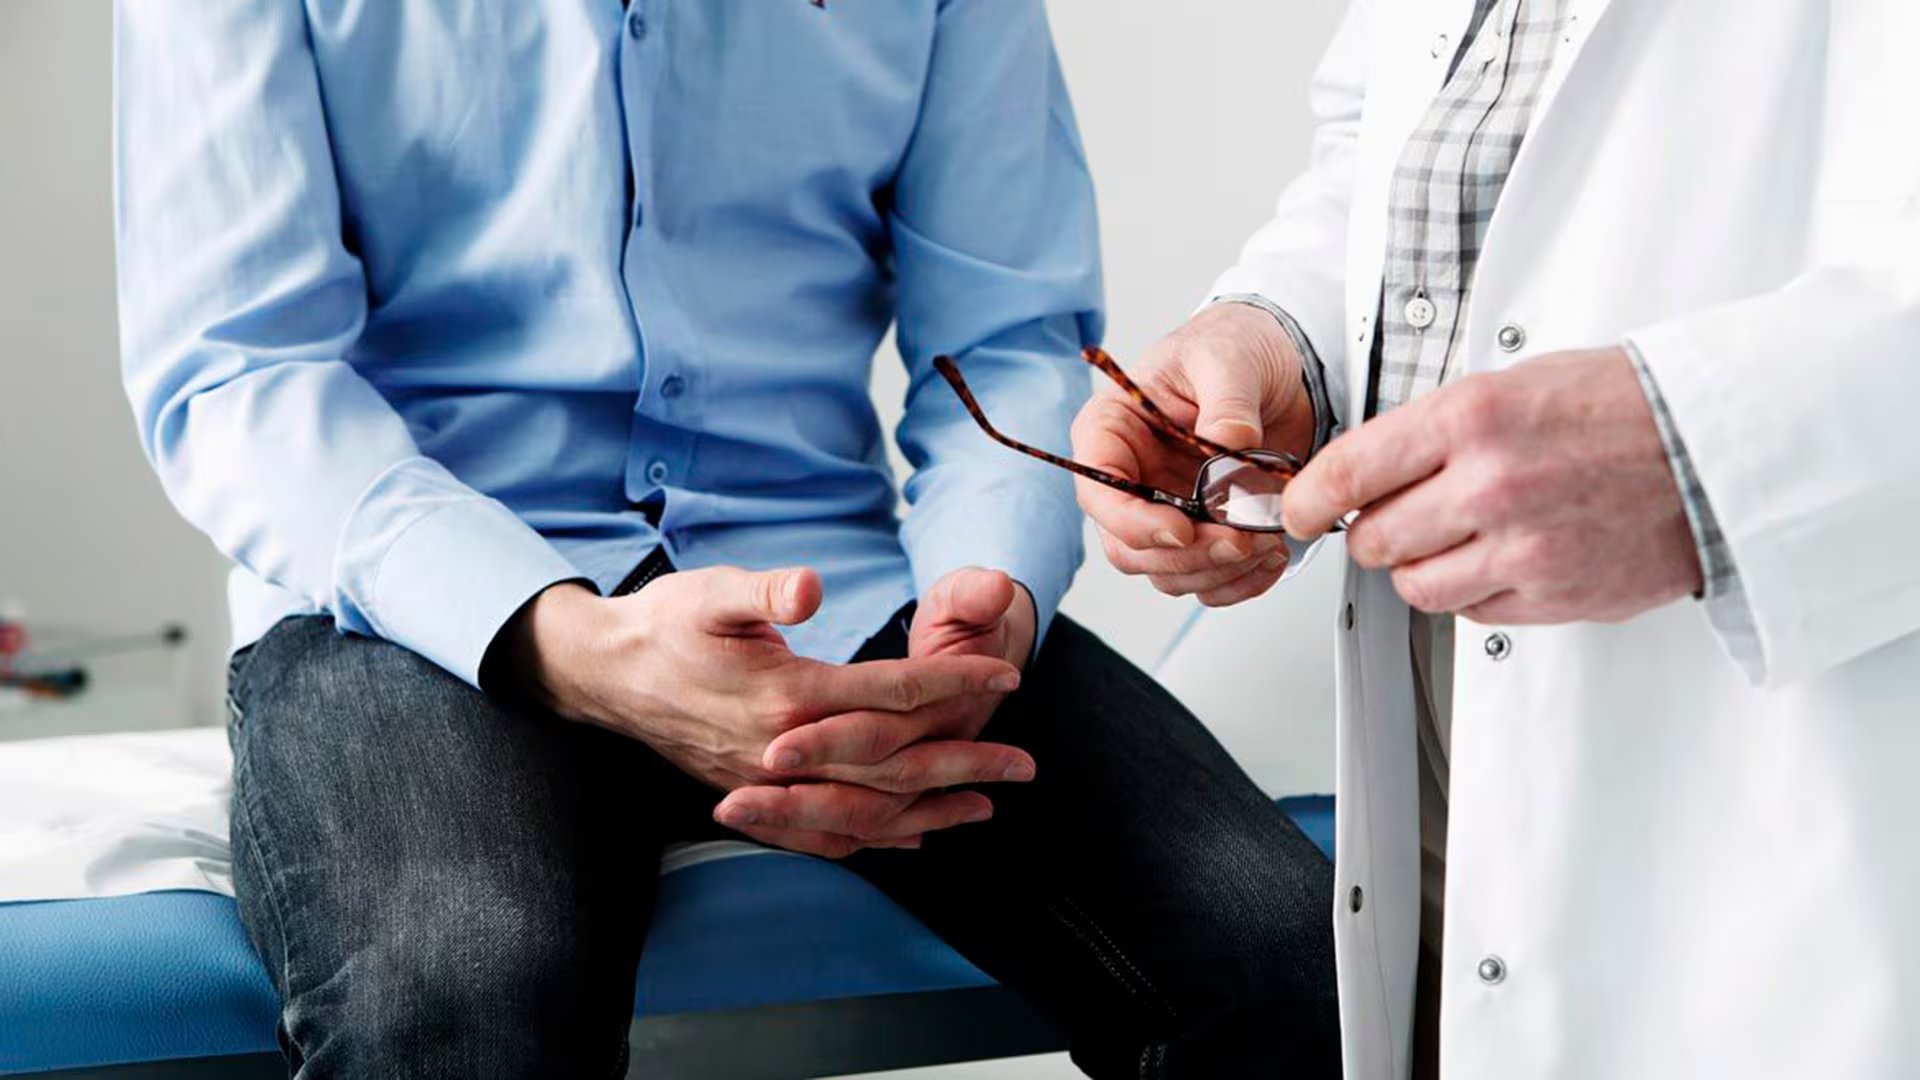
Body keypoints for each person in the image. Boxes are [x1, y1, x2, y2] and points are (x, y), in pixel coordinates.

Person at [113, 3, 1343, 1077]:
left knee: (1289, 961)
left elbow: (1005, 334)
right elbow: (239, 376)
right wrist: (572, 642)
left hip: (838, 593)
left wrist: (984, 605)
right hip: (413, 608)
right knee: (467, 991)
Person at [1070, 1, 1920, 1077]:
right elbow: (1409, 139)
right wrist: (1284, 339)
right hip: (1436, 702)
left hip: (1804, 709)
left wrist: (1707, 450)